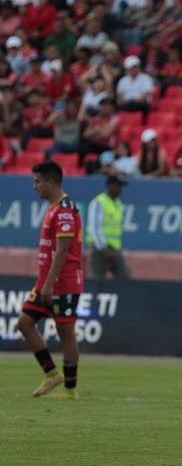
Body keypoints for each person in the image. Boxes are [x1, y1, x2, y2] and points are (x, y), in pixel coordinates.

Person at [17, 162, 84, 400]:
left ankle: (70, 388)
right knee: (24, 323)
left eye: (37, 182)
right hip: (46, 282)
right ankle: (52, 375)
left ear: (50, 182)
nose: (34, 187)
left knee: (65, 332)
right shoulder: (53, 208)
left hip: (64, 283)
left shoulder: (65, 210)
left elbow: (63, 251)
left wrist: (49, 283)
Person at [87, 175, 131, 279]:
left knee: (125, 278)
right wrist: (103, 249)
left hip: (115, 248)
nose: (121, 189)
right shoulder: (99, 202)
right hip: (101, 249)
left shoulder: (117, 204)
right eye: (118, 186)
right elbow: (95, 228)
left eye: (121, 187)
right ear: (110, 186)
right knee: (97, 280)